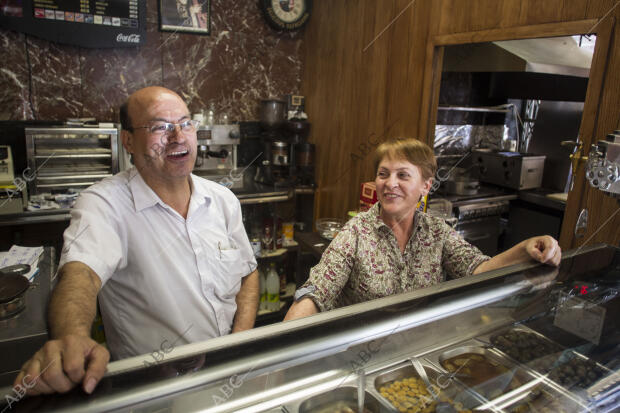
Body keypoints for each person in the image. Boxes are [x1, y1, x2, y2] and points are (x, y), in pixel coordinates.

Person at [14, 87, 259, 395]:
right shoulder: (105, 204)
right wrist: (71, 337)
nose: (178, 137)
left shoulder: (223, 200)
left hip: (227, 374)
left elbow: (247, 272)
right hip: (154, 390)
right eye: (160, 127)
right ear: (128, 140)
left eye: (185, 123)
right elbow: (81, 274)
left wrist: (238, 344)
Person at [285, 138, 561, 320]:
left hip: (419, 346)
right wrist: (274, 357)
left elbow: (478, 270)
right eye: (383, 174)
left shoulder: (436, 233)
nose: (390, 183)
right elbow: (315, 294)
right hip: (360, 354)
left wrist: (526, 249)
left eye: (403, 175)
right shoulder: (355, 235)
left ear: (425, 186)